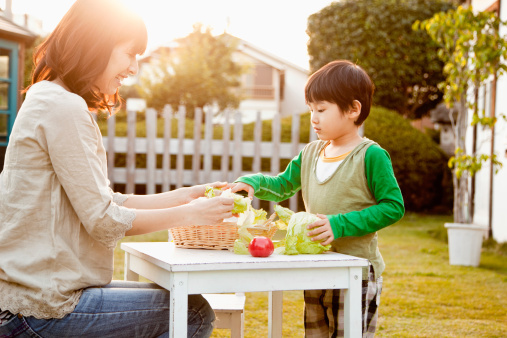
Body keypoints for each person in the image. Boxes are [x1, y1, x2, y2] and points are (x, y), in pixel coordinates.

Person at [0, 0, 235, 337]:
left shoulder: (48, 98)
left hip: (29, 297)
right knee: (191, 312)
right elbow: (103, 219)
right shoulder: (64, 107)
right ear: (96, 46)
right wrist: (190, 214)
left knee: (186, 302)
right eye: (130, 53)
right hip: (39, 308)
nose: (133, 67)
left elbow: (104, 202)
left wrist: (184, 198)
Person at [230, 60, 405, 337]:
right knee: (316, 333)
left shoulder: (371, 155)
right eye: (311, 109)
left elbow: (393, 207)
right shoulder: (311, 152)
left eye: (321, 109)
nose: (313, 117)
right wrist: (253, 182)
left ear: (353, 109)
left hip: (355, 269)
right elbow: (283, 184)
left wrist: (339, 225)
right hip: (317, 263)